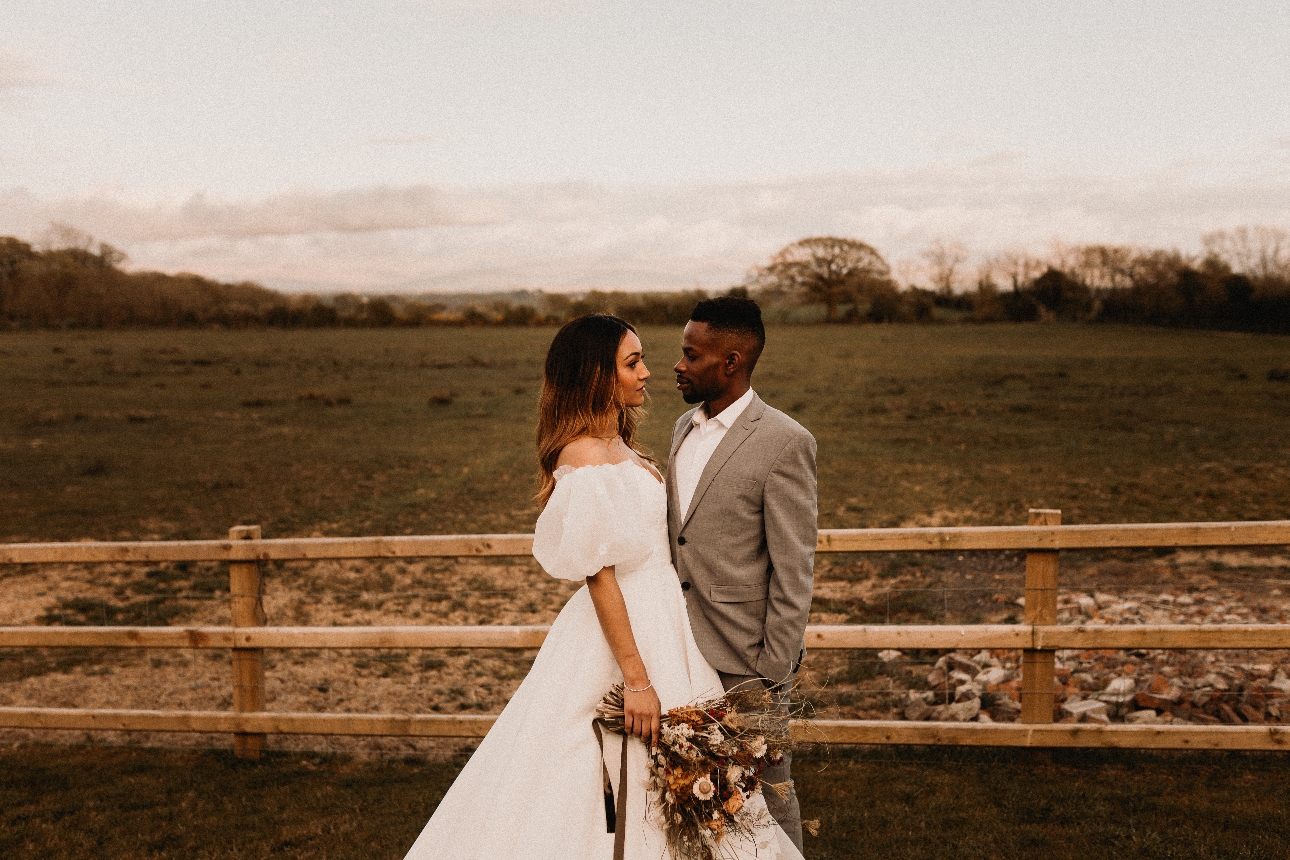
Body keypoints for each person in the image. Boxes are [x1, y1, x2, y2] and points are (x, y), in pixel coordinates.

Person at [403, 313, 803, 860]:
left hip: (673, 624)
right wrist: (636, 680)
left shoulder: (624, 445)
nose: (648, 373)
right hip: (625, 631)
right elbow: (600, 575)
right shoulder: (583, 456)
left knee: (697, 776)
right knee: (604, 771)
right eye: (632, 363)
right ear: (597, 375)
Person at [668, 296, 817, 852]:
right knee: (692, 791)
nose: (678, 366)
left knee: (769, 795)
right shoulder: (683, 425)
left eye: (691, 354)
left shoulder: (785, 441)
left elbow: (794, 565)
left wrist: (771, 669)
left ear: (731, 362)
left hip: (744, 658)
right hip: (677, 649)